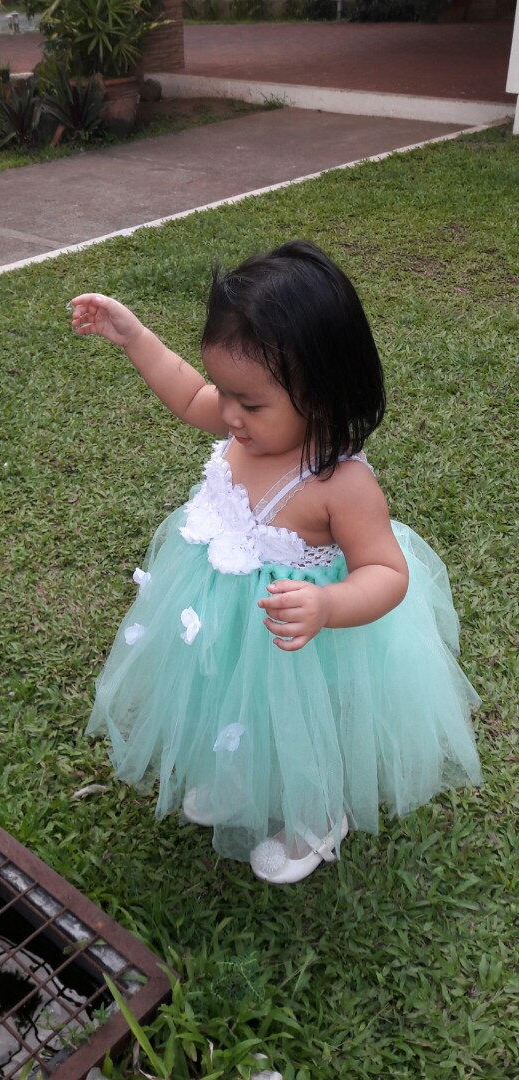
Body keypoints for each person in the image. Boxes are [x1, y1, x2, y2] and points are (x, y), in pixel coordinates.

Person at [70, 240, 481, 885]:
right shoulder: (240, 423)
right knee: (230, 698)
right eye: (227, 394)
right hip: (228, 621)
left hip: (302, 641)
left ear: (320, 391)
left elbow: (387, 573)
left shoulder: (339, 483)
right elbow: (185, 391)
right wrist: (133, 336)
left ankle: (315, 814)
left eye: (250, 402)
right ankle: (237, 778)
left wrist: (326, 604)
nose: (227, 414)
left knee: (299, 726)